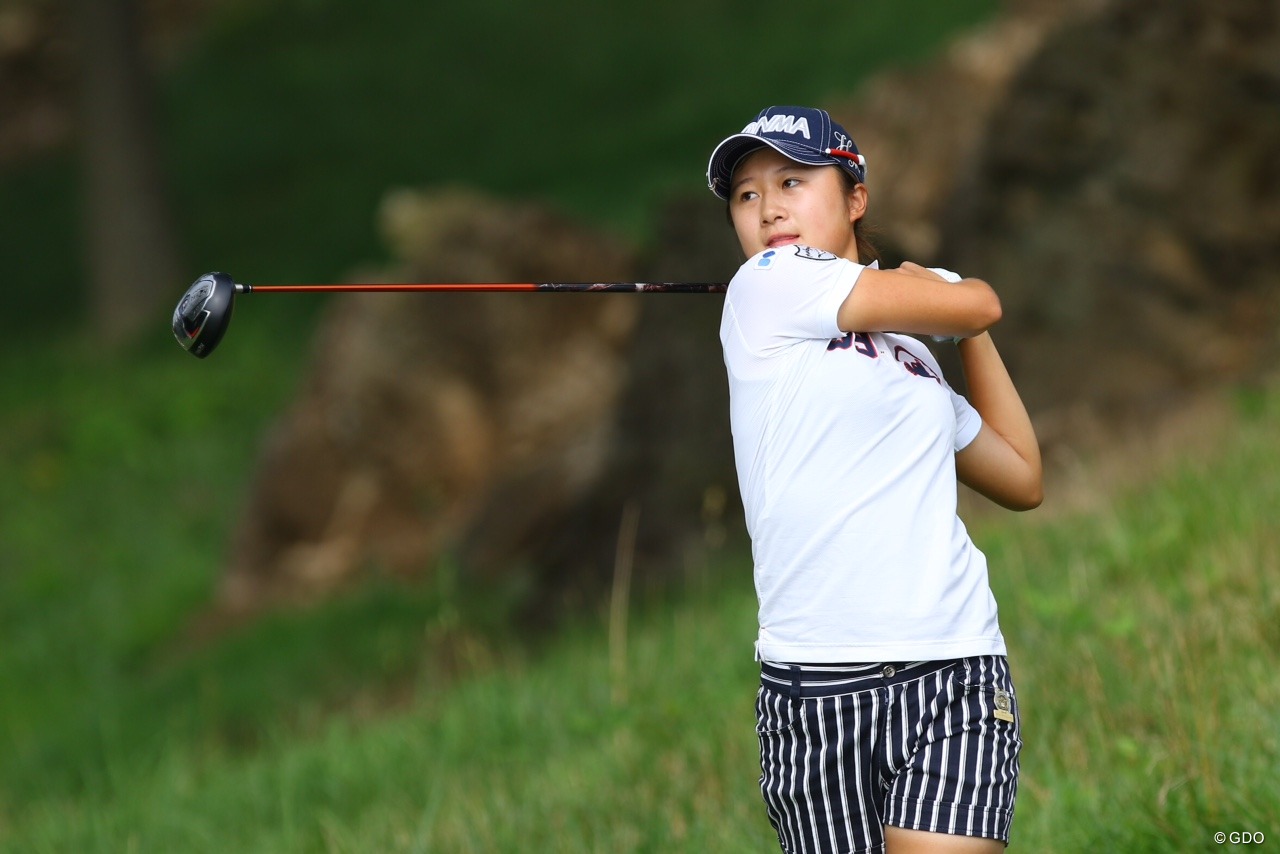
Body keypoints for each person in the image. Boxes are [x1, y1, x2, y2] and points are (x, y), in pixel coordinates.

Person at [706, 105, 1043, 854]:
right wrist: (949, 297)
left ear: (855, 198)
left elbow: (1021, 476)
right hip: (814, 691)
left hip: (951, 666)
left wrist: (963, 331)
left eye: (792, 181)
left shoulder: (911, 358)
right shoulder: (766, 282)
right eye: (747, 195)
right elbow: (977, 296)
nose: (769, 208)